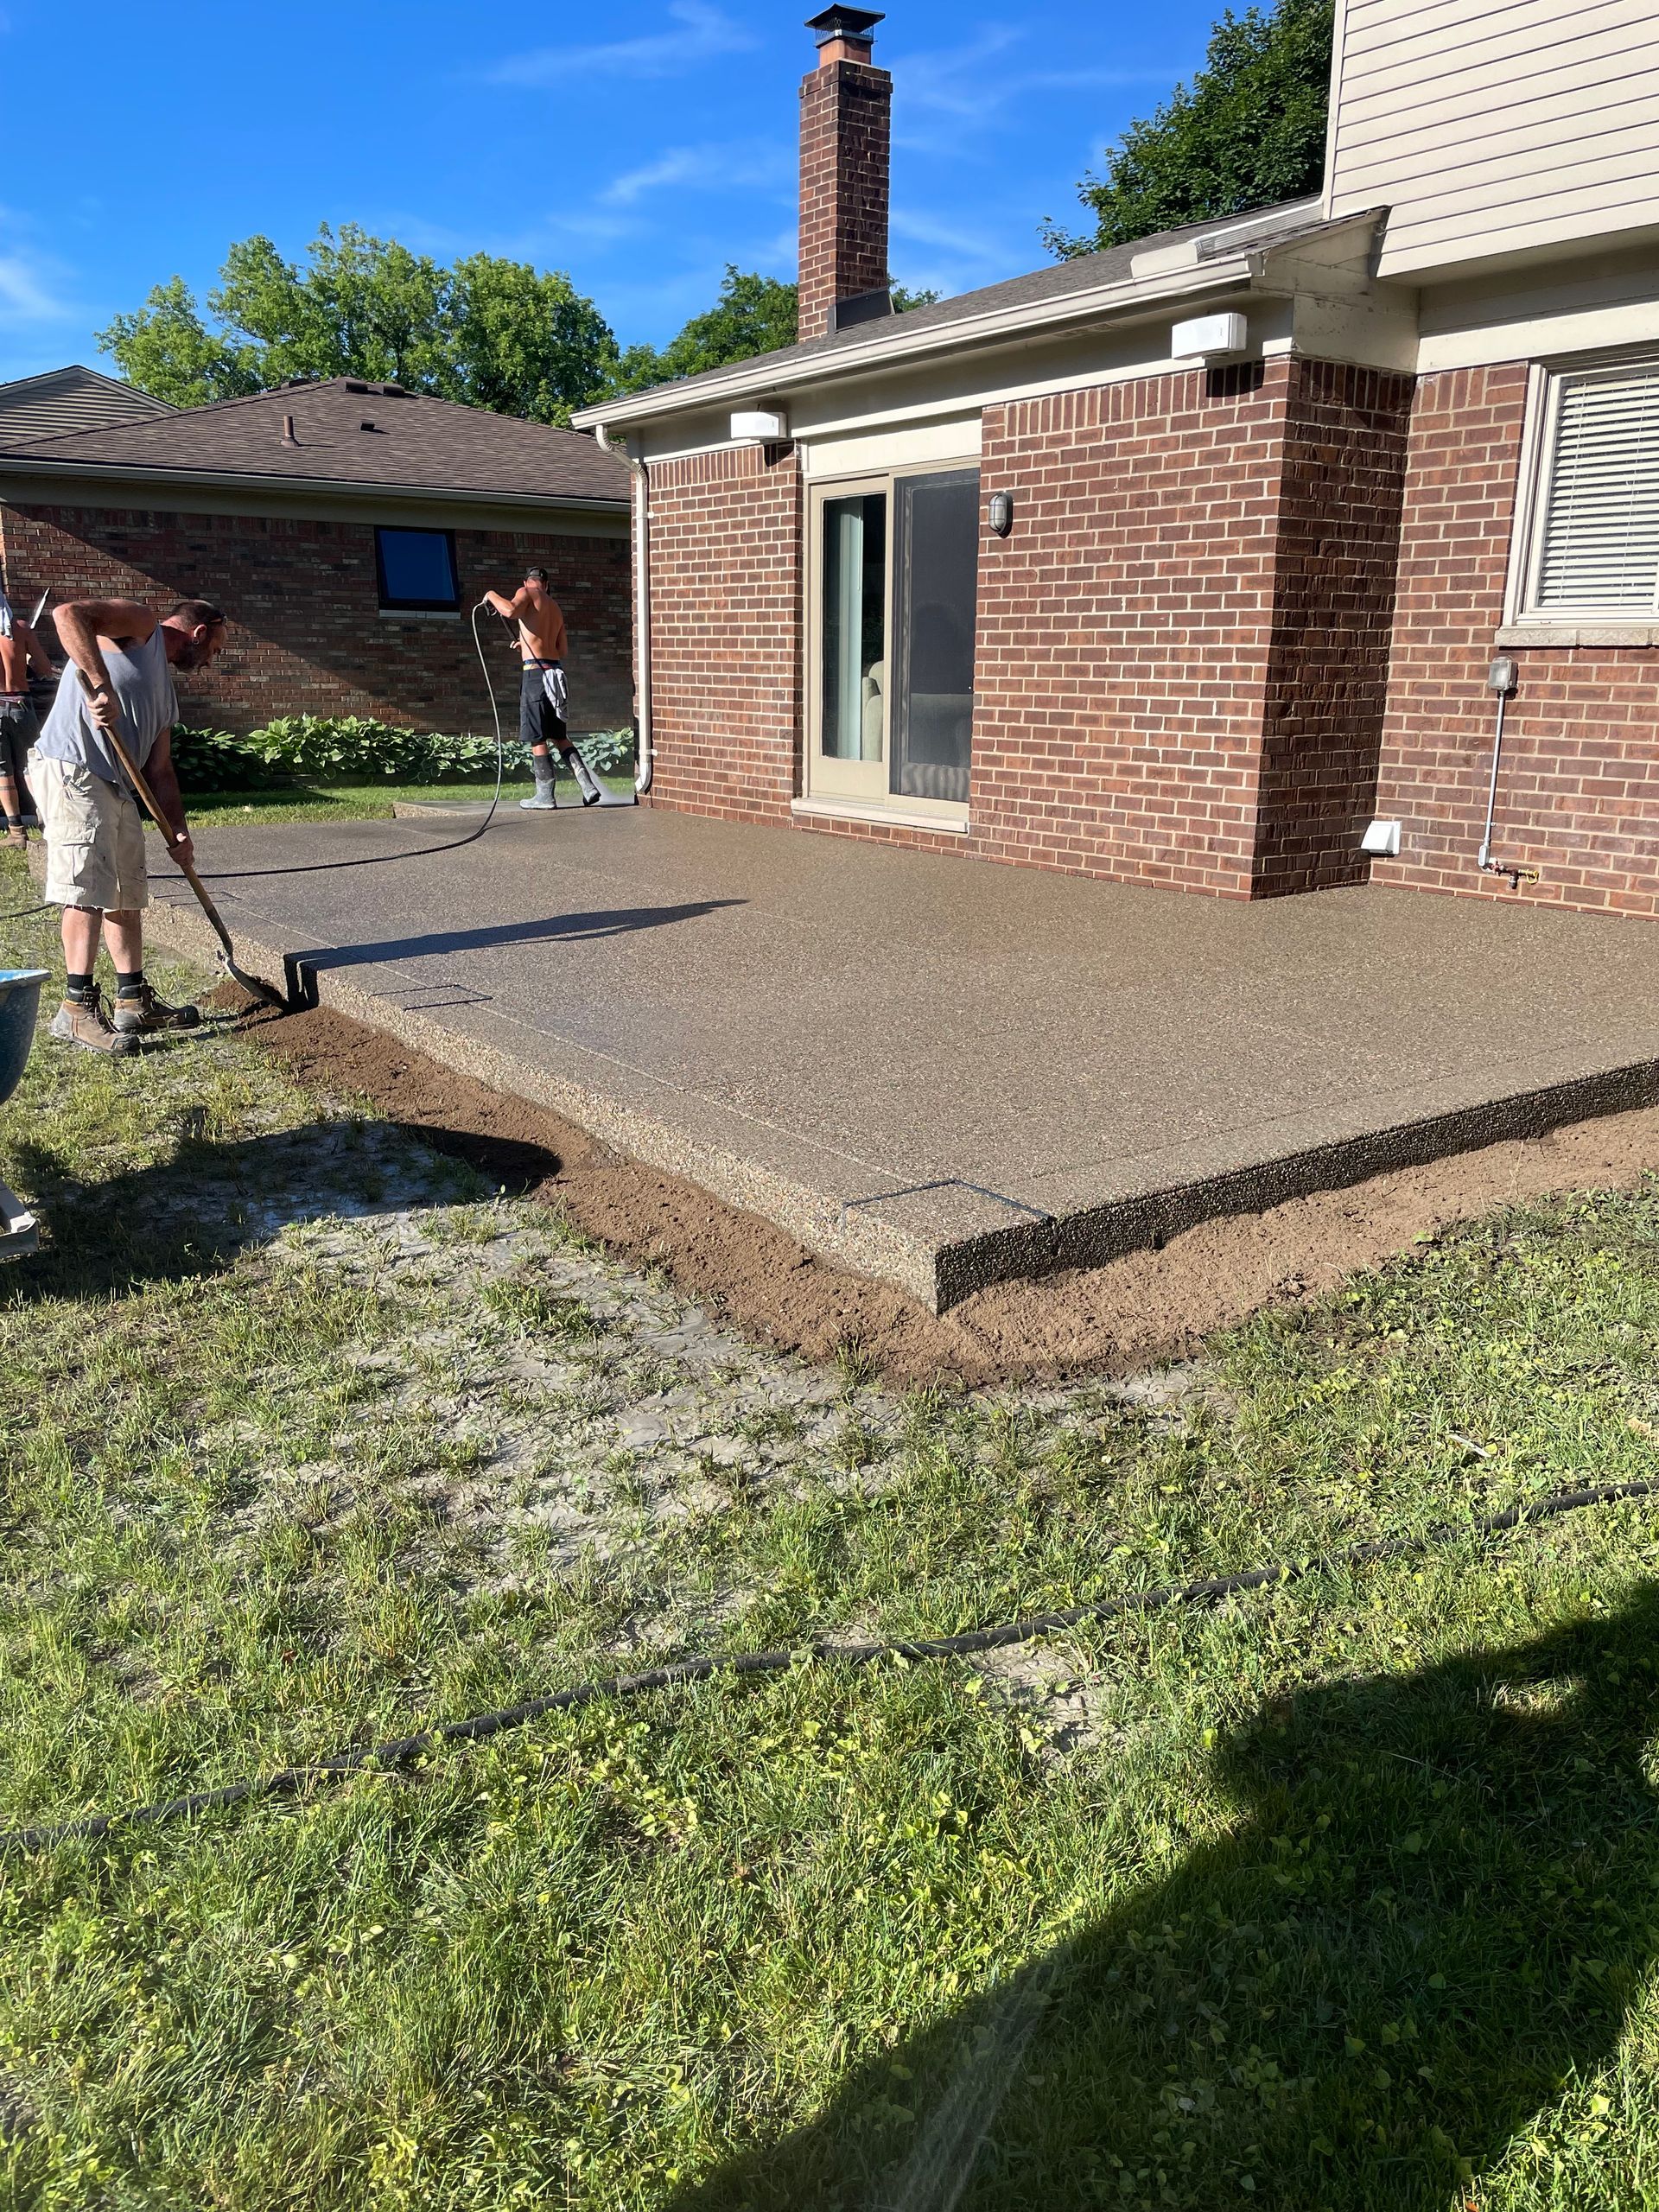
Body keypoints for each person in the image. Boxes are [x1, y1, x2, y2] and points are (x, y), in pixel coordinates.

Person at [34, 595, 226, 1056]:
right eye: (216, 649)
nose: (212, 660)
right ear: (199, 633)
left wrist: (178, 832)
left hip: (119, 785)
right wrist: (100, 684)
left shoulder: (166, 695)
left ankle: (132, 1000)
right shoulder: (142, 626)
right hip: (75, 770)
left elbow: (160, 770)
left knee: (125, 891)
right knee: (87, 889)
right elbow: (68, 616)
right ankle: (75, 1011)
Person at [483, 566, 603, 809]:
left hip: (536, 677)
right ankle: (589, 787)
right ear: (546, 584)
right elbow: (562, 650)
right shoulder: (555, 608)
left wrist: (491, 594)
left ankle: (545, 797)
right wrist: (526, 646)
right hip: (555, 674)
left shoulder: (526, 592)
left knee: (537, 738)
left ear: (527, 582)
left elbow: (509, 610)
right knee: (559, 736)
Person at [0, 589, 54, 850]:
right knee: (32, 766)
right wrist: (27, 659)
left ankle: (17, 832)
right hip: (21, 702)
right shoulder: (20, 629)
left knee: (3, 771)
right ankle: (47, 823)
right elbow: (44, 669)